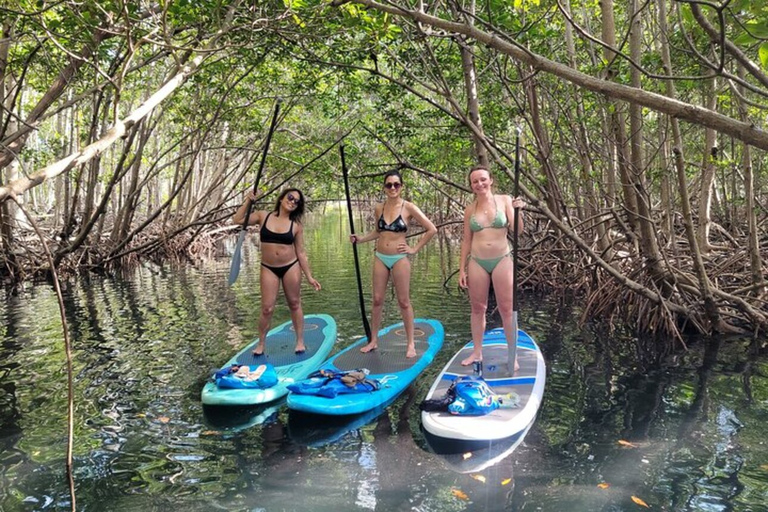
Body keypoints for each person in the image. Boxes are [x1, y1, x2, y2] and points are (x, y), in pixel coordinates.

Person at [349, 170, 437, 358]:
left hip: (399, 258)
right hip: (380, 256)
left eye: (396, 184)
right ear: (384, 187)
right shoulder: (379, 208)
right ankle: (373, 341)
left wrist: (414, 249)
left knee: (403, 301)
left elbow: (431, 229)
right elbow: (378, 232)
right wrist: (361, 239)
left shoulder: (409, 207)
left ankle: (411, 344)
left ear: (401, 186)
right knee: (377, 300)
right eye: (389, 185)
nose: (392, 188)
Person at [232, 188, 321, 356]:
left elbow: (301, 252)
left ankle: (300, 341)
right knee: (267, 308)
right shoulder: (262, 216)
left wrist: (309, 276)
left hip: (291, 266)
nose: (293, 201)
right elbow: (237, 219)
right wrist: (248, 202)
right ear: (281, 198)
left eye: (297, 201)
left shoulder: (296, 226)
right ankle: (261, 344)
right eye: (290, 197)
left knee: (294, 303)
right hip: (268, 268)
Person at [458, 166, 525, 369]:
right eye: (475, 181)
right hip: (477, 261)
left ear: (491, 180)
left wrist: (518, 211)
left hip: (502, 259)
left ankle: (512, 355)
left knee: (506, 309)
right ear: (471, 186)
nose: (479, 184)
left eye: (483, 179)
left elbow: (518, 231)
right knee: (478, 309)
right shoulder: (470, 209)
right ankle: (477, 352)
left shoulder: (505, 200)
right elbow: (466, 241)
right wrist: (462, 268)